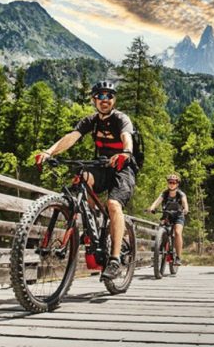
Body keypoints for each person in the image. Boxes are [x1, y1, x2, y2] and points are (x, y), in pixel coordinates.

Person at [35, 80, 138, 281]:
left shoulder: (121, 119)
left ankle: (115, 260)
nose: (104, 99)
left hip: (124, 167)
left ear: (114, 99)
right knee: (82, 177)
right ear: (94, 100)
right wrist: (49, 152)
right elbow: (71, 137)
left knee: (113, 204)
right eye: (100, 96)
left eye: (109, 95)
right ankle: (92, 225)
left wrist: (125, 153)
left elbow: (127, 137)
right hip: (102, 166)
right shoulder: (90, 121)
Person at [146, 174, 189, 266]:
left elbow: (185, 203)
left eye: (174, 182)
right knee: (161, 231)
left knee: (177, 232)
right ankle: (159, 253)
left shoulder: (180, 194)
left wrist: (185, 209)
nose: (172, 184)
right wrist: (152, 208)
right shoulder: (164, 193)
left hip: (178, 215)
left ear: (177, 184)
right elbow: (157, 202)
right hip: (167, 215)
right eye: (170, 182)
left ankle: (178, 257)